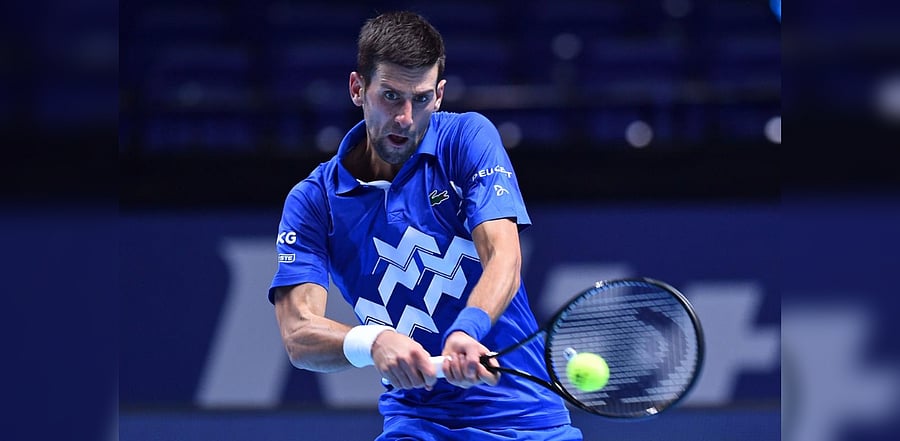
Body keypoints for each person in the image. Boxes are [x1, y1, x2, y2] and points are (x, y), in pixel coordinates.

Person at [268, 11, 582, 441]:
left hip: (527, 421)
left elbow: (504, 257)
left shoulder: (466, 140)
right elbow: (298, 333)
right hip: (417, 427)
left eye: (419, 99)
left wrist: (468, 330)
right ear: (358, 89)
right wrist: (373, 342)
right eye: (391, 97)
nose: (404, 119)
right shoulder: (313, 201)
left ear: (439, 95)